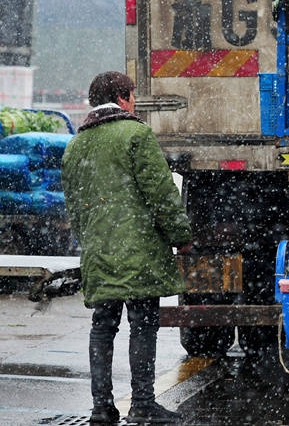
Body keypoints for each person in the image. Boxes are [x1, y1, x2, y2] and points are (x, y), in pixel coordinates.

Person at [62, 72, 192, 425]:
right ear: (121, 97)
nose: (134, 102)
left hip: (98, 251)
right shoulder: (136, 134)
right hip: (138, 252)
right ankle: (143, 405)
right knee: (143, 323)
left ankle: (101, 407)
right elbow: (161, 192)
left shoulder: (75, 145)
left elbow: (73, 204)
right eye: (132, 95)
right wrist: (180, 234)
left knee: (103, 326)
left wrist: (90, 240)